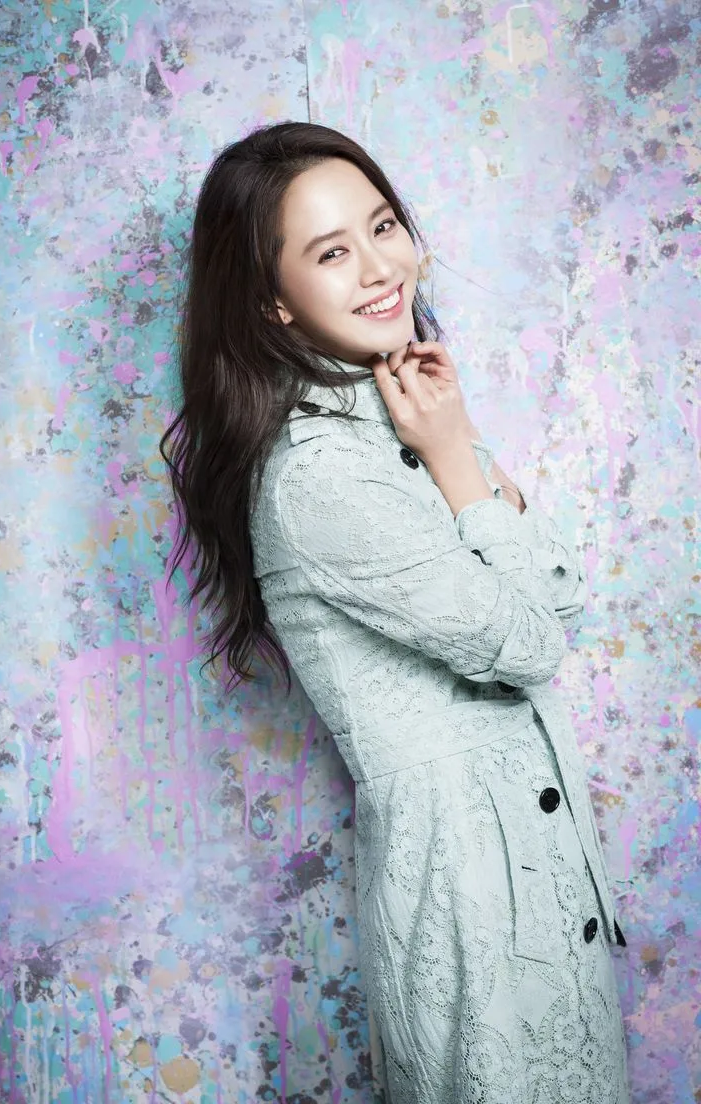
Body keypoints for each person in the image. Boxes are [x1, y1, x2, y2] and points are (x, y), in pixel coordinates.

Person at [160, 120, 631, 1103]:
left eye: (383, 227)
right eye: (332, 253)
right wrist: (458, 457)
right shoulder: (318, 476)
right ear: (273, 301)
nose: (382, 268)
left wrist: (451, 444)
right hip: (471, 903)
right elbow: (530, 642)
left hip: (543, 882)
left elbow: (560, 591)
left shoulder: (402, 409)